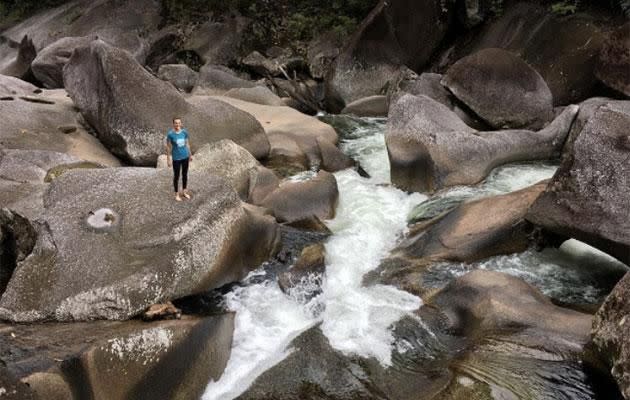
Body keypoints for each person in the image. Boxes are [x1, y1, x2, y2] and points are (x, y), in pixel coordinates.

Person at [165, 117, 193, 201]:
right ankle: (176, 194)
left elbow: (187, 144)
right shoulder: (170, 134)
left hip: (185, 157)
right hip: (176, 158)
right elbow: (168, 147)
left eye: (179, 123)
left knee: (185, 175)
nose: (177, 124)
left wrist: (190, 154)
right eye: (176, 123)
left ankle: (184, 191)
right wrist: (168, 159)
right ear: (173, 124)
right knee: (176, 176)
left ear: (181, 124)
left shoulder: (184, 132)